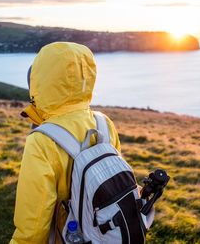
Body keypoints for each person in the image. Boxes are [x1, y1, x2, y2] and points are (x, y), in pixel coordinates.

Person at [10, 42, 121, 244]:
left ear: (39, 84)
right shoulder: (104, 123)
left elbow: (33, 225)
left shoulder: (42, 140)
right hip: (107, 231)